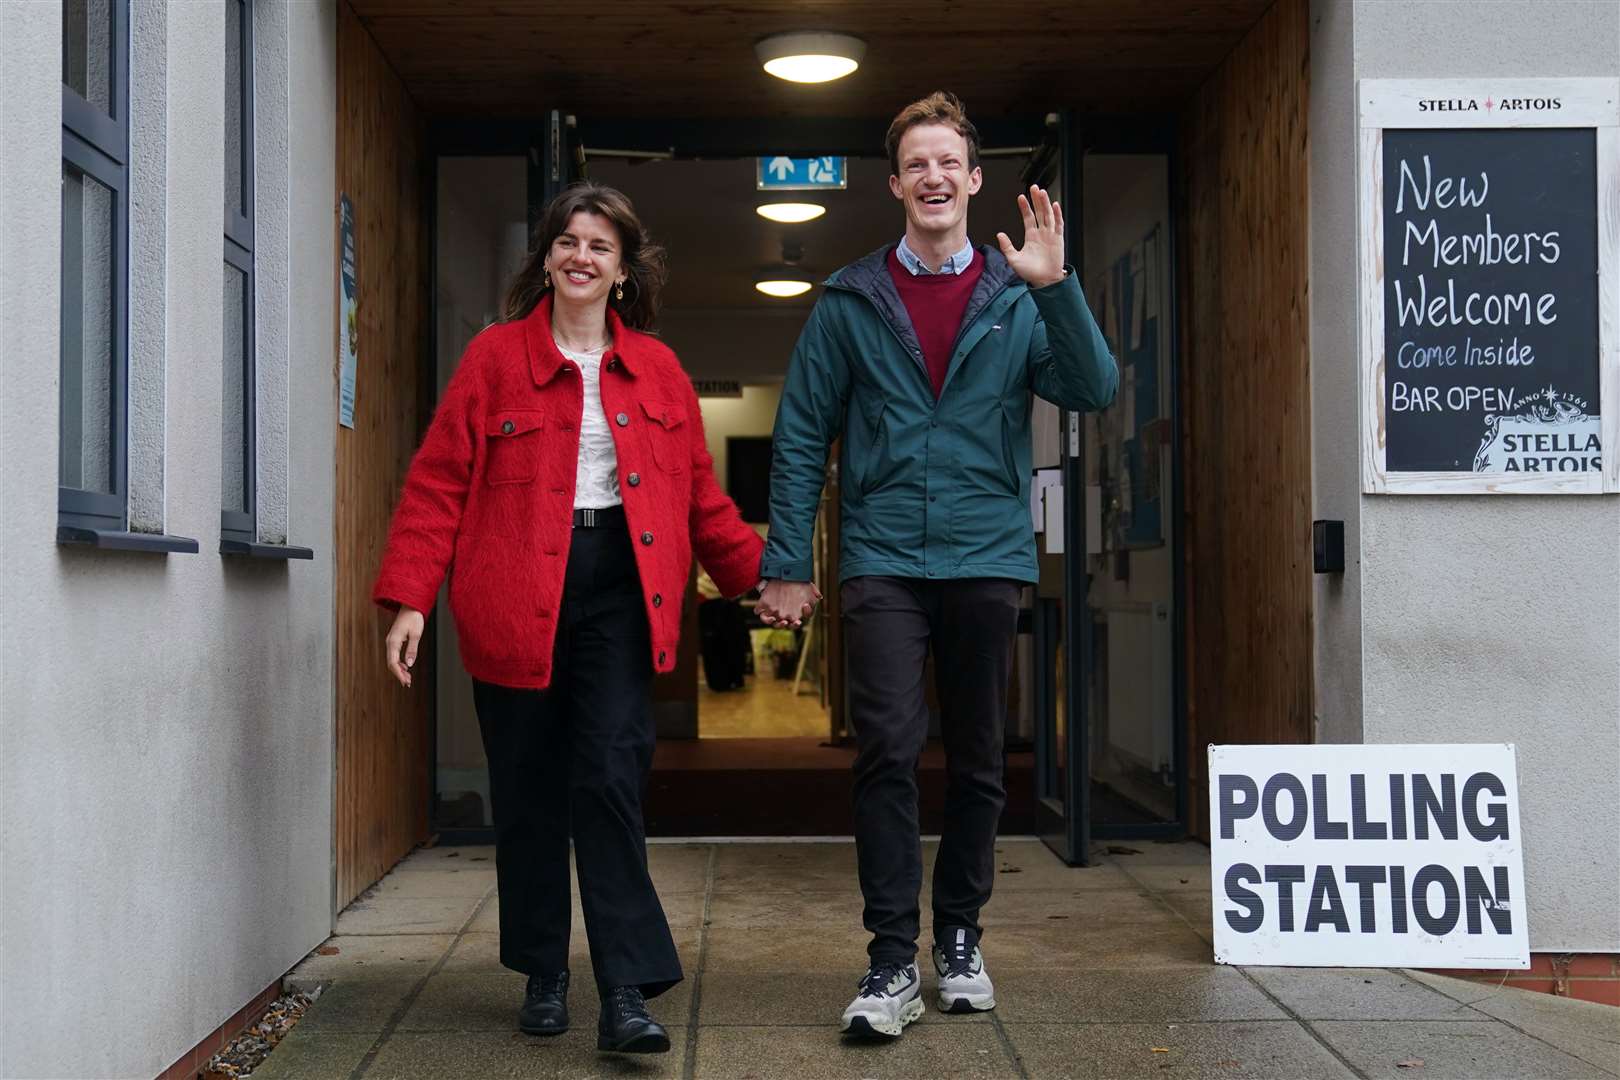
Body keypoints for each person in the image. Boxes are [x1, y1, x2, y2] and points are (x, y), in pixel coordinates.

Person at [756, 92, 1118, 1039]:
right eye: (916, 163)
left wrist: (1054, 285)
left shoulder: (1014, 295)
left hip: (985, 552)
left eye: (947, 162)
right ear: (896, 184)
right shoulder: (848, 300)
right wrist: (788, 560)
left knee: (980, 757)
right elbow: (800, 437)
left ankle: (959, 937)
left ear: (972, 179)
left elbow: (1093, 387)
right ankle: (888, 960)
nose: (932, 177)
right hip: (881, 554)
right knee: (884, 749)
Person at [372, 183, 764, 1054]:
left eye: (600, 246)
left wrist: (761, 576)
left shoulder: (658, 368)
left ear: (624, 270)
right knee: (530, 791)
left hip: (622, 592)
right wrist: (409, 598)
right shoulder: (493, 358)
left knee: (611, 783)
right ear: (546, 257)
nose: (581, 257)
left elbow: (698, 490)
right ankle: (544, 970)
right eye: (568, 242)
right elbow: (439, 481)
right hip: (513, 595)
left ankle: (625, 989)